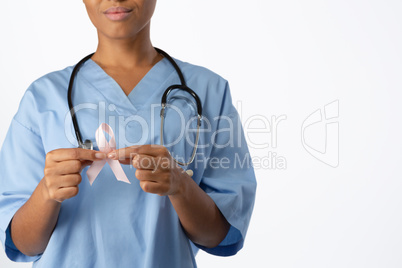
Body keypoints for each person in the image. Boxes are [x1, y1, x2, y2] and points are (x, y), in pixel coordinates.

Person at [0, 0, 257, 267]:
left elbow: (222, 237)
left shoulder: (208, 91)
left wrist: (180, 186)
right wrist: (46, 194)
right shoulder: (43, 98)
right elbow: (21, 244)